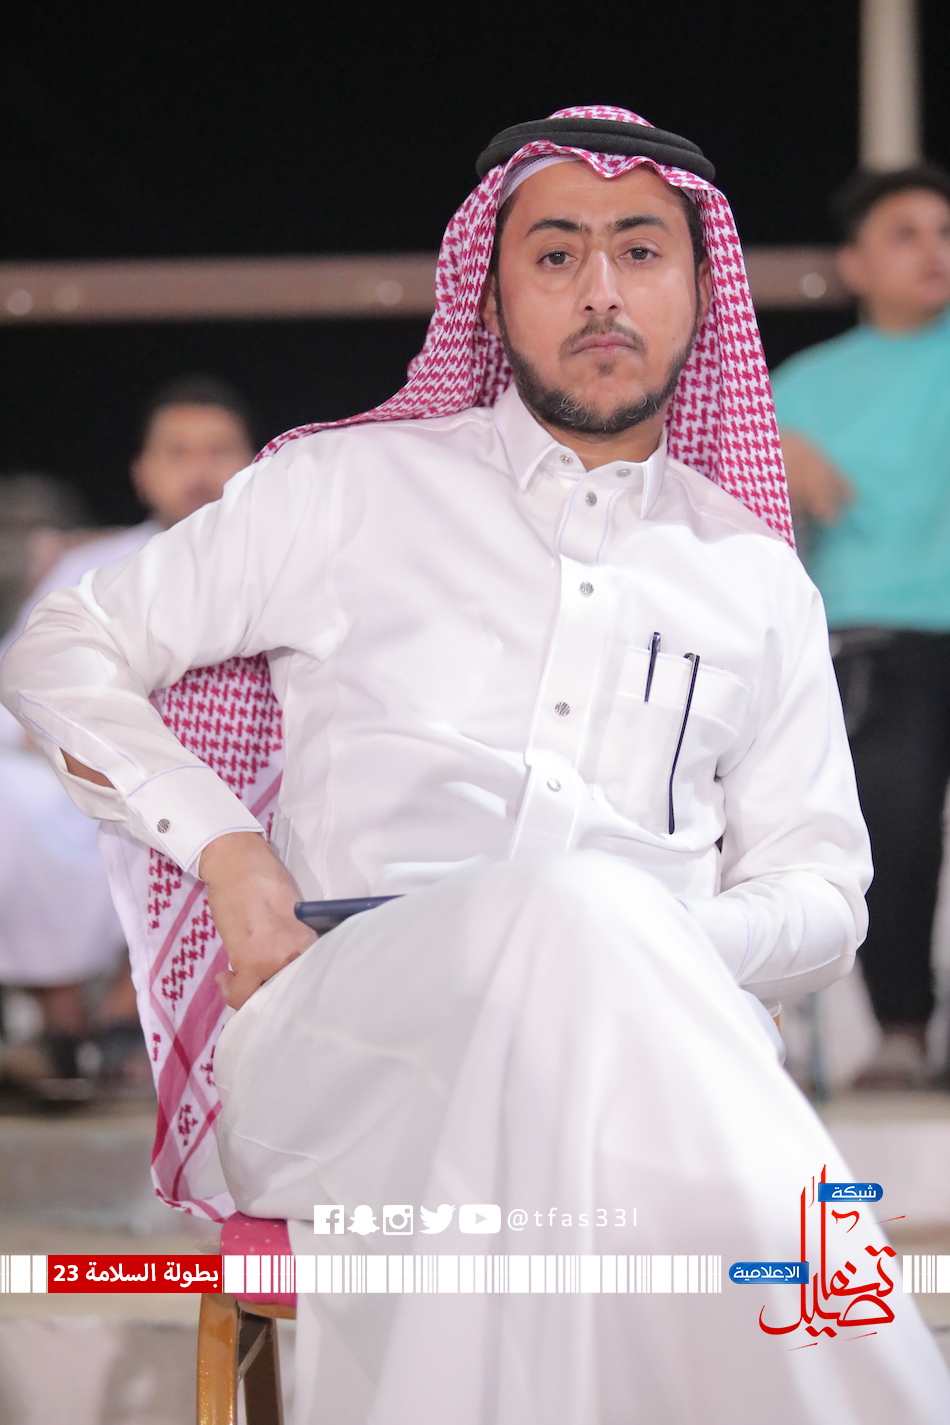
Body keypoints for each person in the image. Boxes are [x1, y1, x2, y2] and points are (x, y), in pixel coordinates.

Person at [2, 106, 949, 1421]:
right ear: (492, 296)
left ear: (699, 290)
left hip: (643, 1058)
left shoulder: (754, 580)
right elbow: (63, 647)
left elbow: (822, 893)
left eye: (640, 251)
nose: (601, 289)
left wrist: (630, 943)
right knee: (603, 983)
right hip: (345, 1042)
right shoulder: (344, 489)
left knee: (586, 959)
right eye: (555, 255)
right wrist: (224, 846)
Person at [0, 375, 255, 1096]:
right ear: (143, 471)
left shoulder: (273, 565)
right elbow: (22, 689)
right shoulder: (91, 568)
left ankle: (129, 1021)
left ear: (254, 462)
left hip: (235, 786)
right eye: (178, 452)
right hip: (97, 780)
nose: (199, 470)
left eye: (218, 450)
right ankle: (63, 1028)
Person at [771, 166, 950, 1090]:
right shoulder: (799, 388)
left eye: (945, 232)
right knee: (896, 830)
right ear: (855, 264)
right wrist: (774, 447)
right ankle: (902, 1032)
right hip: (874, 632)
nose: (934, 251)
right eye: (905, 234)